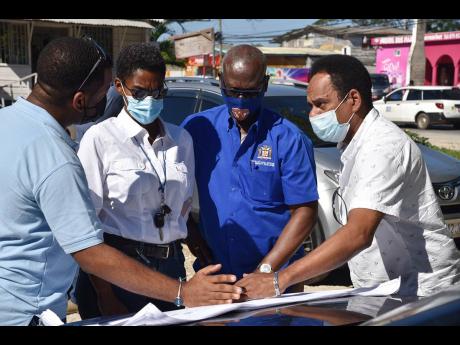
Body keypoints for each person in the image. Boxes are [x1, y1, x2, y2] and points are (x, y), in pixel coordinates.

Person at [0, 37, 242, 326]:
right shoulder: (57, 155)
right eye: (104, 92)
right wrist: (183, 291)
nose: (107, 101)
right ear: (80, 100)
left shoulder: (7, 123)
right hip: (27, 311)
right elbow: (89, 251)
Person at [237, 54, 460, 298]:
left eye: (321, 104)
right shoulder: (353, 145)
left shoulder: (382, 147)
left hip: (422, 293)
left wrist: (280, 280)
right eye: (310, 105)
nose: (312, 114)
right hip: (386, 290)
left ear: (353, 99)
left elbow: (358, 233)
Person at [181, 45, 319, 290]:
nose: (240, 102)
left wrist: (265, 270)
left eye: (250, 93)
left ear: (264, 85)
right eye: (232, 91)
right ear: (221, 81)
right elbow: (175, 189)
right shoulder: (197, 129)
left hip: (274, 282)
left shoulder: (288, 140)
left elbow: (305, 212)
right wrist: (191, 233)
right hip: (217, 276)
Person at [74, 42, 194, 317]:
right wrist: (104, 292)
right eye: (139, 92)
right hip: (118, 270)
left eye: (157, 91)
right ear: (119, 87)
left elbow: (184, 208)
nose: (150, 100)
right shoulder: (100, 139)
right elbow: (85, 228)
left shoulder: (181, 140)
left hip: (171, 267)